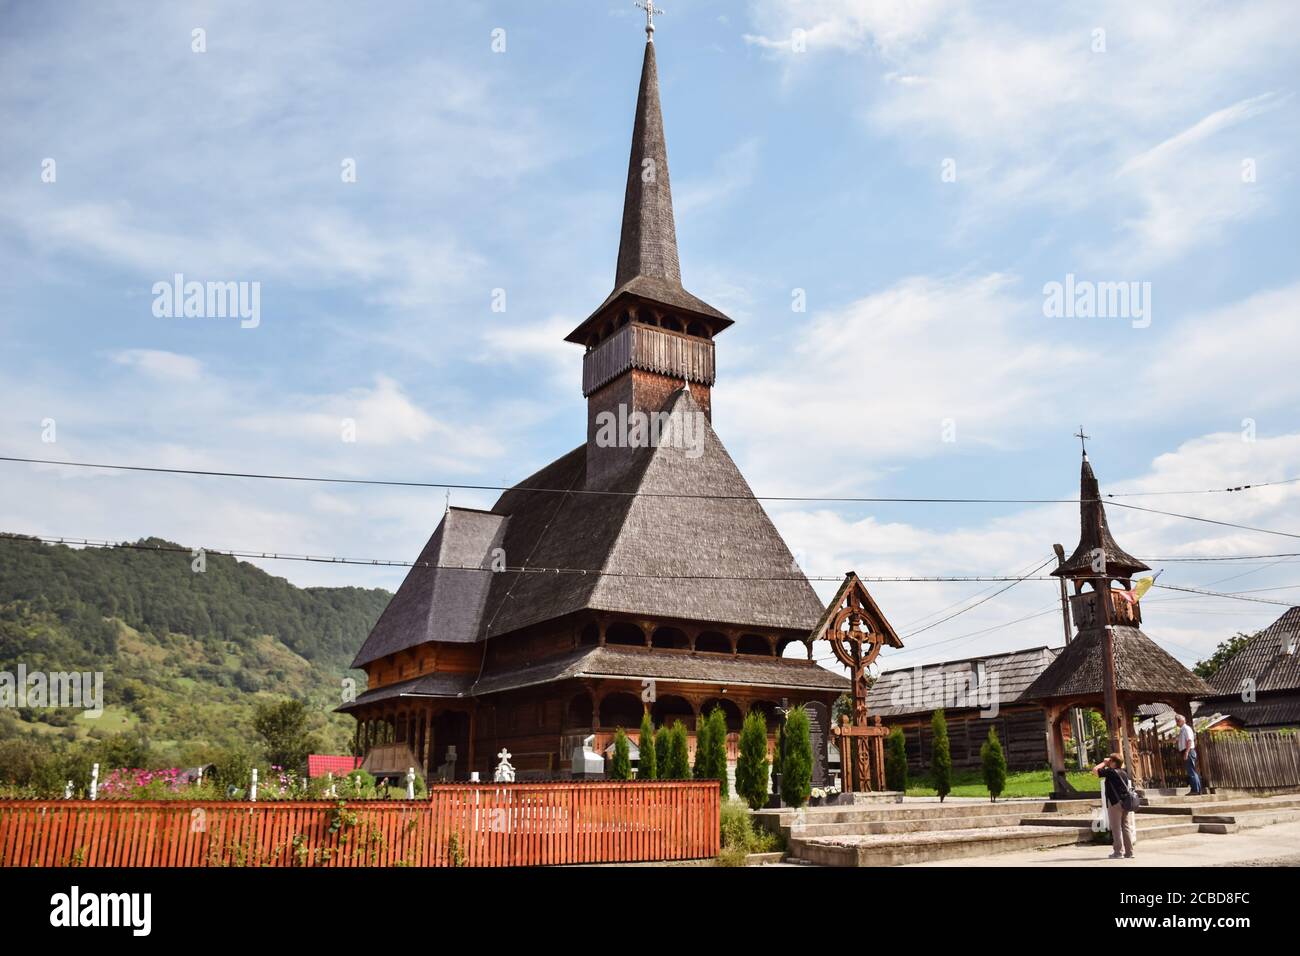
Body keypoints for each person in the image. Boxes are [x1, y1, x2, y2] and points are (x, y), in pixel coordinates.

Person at [1094, 752, 1137, 859]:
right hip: (1125, 803)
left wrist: (1103, 763)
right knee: (1125, 827)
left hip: (1115, 803)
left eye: (1110, 761)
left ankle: (1118, 852)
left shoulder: (1111, 772)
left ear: (1113, 762)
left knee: (1116, 827)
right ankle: (1129, 852)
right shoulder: (1124, 773)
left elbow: (1095, 770)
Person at [1175, 714, 1203, 795]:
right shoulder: (1182, 730)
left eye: (1177, 720)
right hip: (1187, 751)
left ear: (1182, 721)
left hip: (1189, 751)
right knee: (1191, 771)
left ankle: (1195, 790)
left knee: (1191, 771)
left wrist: (1187, 752)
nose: (1177, 722)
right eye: (1176, 720)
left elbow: (1189, 741)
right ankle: (1197, 790)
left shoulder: (1186, 729)